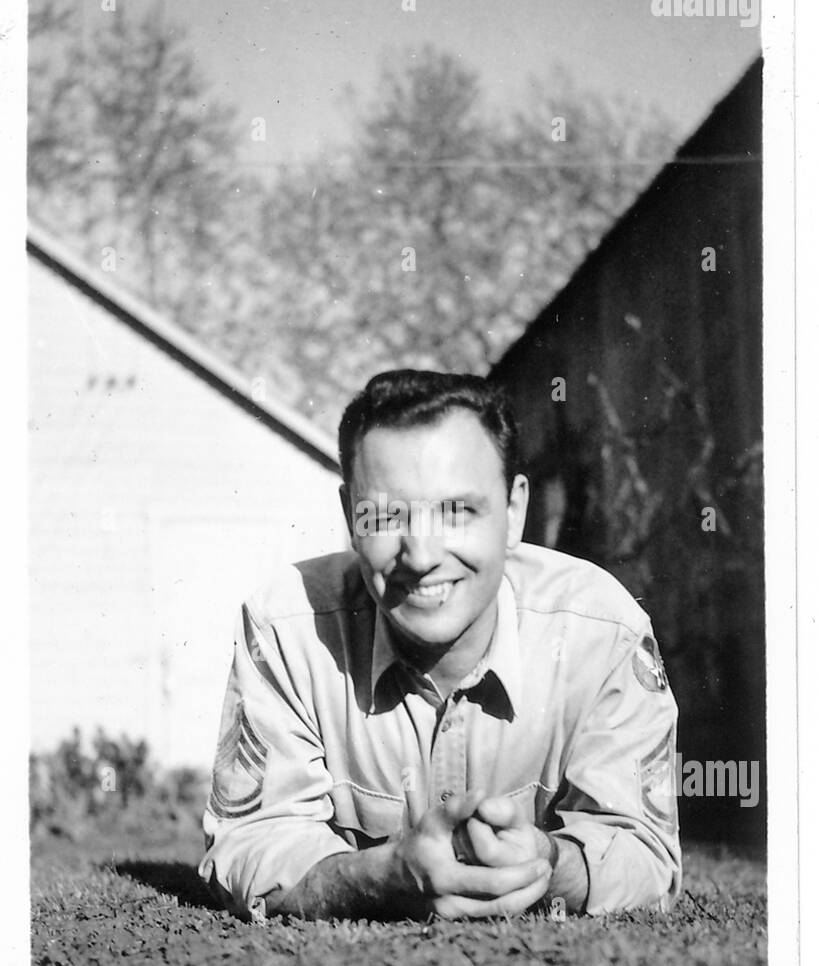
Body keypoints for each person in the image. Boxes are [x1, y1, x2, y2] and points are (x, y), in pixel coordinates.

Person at [198, 369, 681, 923]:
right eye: (385, 515)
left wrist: (548, 862)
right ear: (349, 517)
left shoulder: (604, 631)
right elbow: (248, 843)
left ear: (514, 512)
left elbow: (645, 851)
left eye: (458, 511)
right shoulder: (287, 628)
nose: (421, 554)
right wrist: (384, 874)